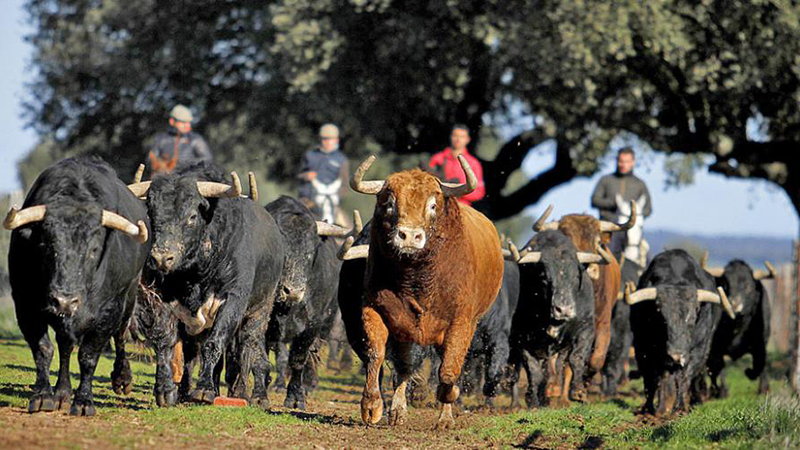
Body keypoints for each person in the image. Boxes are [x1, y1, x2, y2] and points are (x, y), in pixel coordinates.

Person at [591, 147, 653, 256]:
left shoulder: (640, 184)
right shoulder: (606, 180)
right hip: (607, 230)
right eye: (621, 161)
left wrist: (636, 214)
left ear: (633, 162)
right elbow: (594, 200)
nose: (623, 165)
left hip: (632, 230)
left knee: (646, 257)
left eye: (627, 162)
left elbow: (648, 208)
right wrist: (612, 203)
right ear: (617, 161)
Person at [298, 123, 349, 224]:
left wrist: (335, 197)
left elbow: (345, 185)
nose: (327, 142)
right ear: (320, 139)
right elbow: (299, 175)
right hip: (308, 203)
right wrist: (306, 175)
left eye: (330, 139)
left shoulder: (342, 160)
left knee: (348, 228)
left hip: (332, 204)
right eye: (324, 139)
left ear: (336, 140)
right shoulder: (310, 155)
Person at [146, 104, 213, 175]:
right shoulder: (160, 139)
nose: (187, 126)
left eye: (188, 122)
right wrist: (162, 167)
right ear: (172, 121)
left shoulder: (195, 139)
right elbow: (150, 160)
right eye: (183, 122)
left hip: (190, 178)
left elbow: (207, 159)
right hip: (165, 180)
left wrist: (183, 165)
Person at [428, 124, 486, 206]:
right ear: (450, 137)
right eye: (455, 135)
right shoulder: (437, 159)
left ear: (467, 140)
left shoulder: (474, 163)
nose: (458, 139)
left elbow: (480, 192)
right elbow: (427, 185)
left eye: (462, 137)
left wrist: (457, 191)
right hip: (438, 206)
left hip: (462, 207)